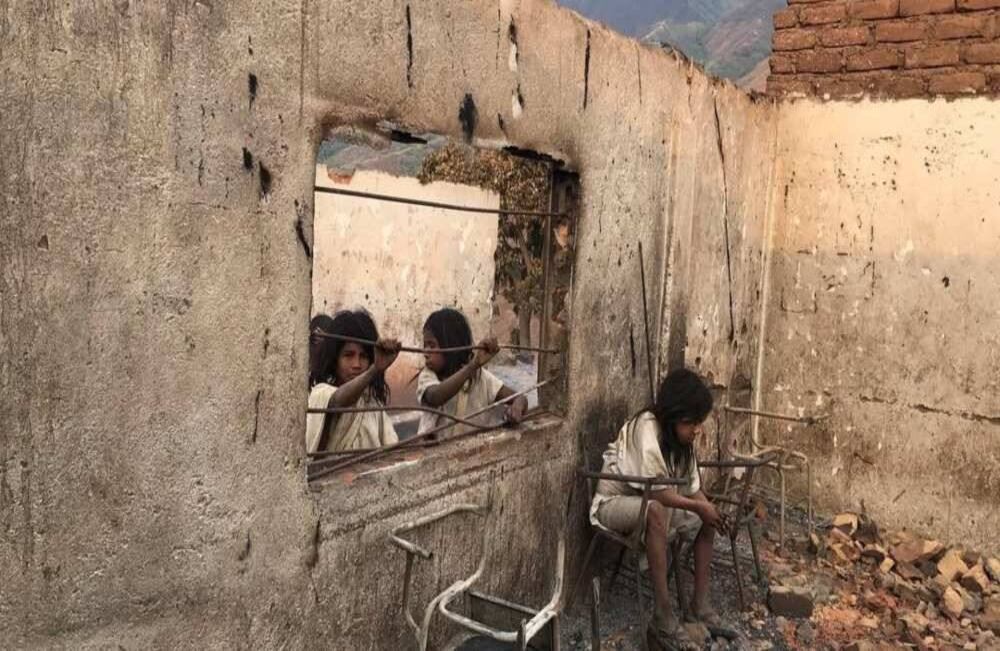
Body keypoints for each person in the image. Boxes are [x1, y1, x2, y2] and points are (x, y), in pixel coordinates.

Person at [590, 368, 731, 651]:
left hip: (653, 504)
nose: (697, 430)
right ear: (676, 413)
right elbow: (657, 492)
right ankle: (663, 616)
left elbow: (691, 489)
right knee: (657, 509)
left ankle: (699, 606)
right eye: (693, 422)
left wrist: (709, 510)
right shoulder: (647, 426)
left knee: (706, 516)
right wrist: (699, 507)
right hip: (613, 505)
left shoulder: (681, 441)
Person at [416, 307, 528, 436]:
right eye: (425, 345)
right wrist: (473, 365)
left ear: (452, 346)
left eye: (432, 345)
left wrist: (516, 408)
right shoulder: (428, 376)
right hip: (434, 454)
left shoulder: (481, 378)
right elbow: (435, 397)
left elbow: (520, 397)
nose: (425, 352)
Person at [305, 310, 401, 453]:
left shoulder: (372, 404)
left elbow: (392, 450)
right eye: (348, 355)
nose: (356, 364)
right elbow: (338, 401)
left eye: (363, 356)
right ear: (335, 360)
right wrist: (374, 370)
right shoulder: (321, 393)